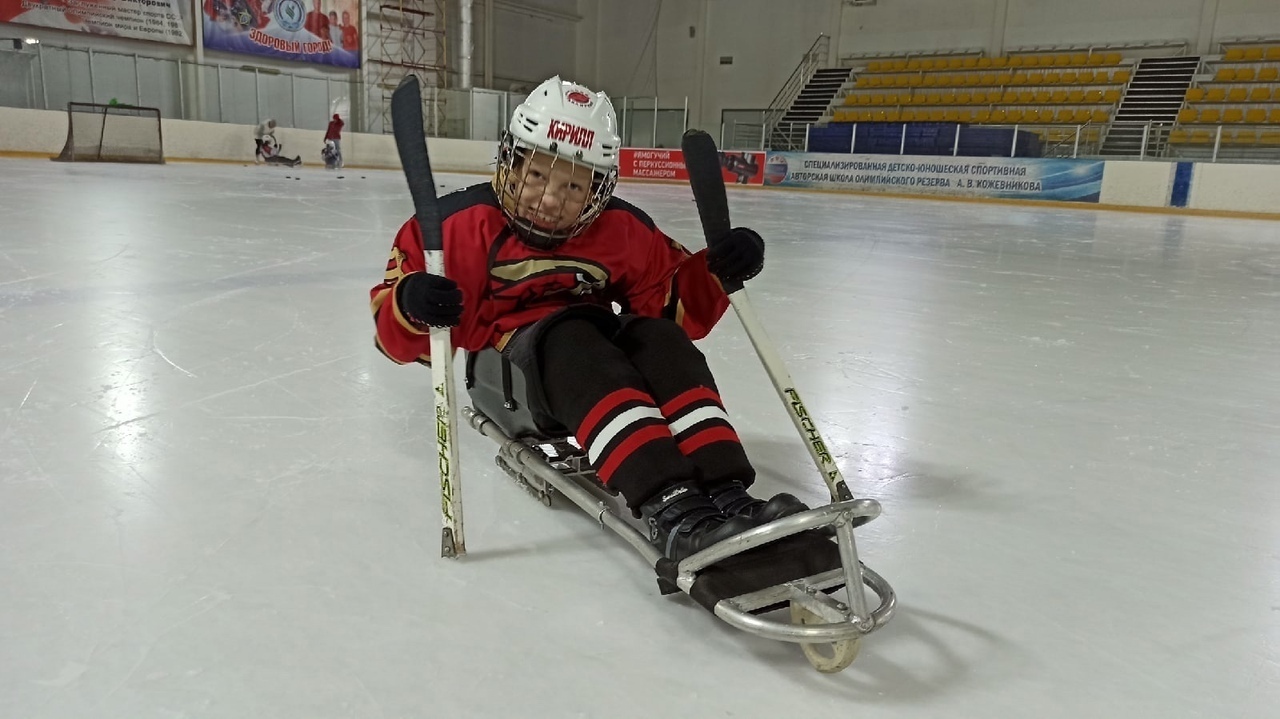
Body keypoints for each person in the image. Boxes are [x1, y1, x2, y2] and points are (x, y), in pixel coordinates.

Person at [368, 76, 809, 562]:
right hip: (513, 373)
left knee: (659, 338)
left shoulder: (620, 228)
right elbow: (395, 339)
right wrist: (412, 301)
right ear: (512, 162)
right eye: (538, 174)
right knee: (575, 337)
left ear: (598, 190)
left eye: (573, 185)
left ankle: (728, 494)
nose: (550, 199)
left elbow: (669, 304)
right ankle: (673, 508)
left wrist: (717, 269)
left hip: (593, 350)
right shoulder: (454, 227)